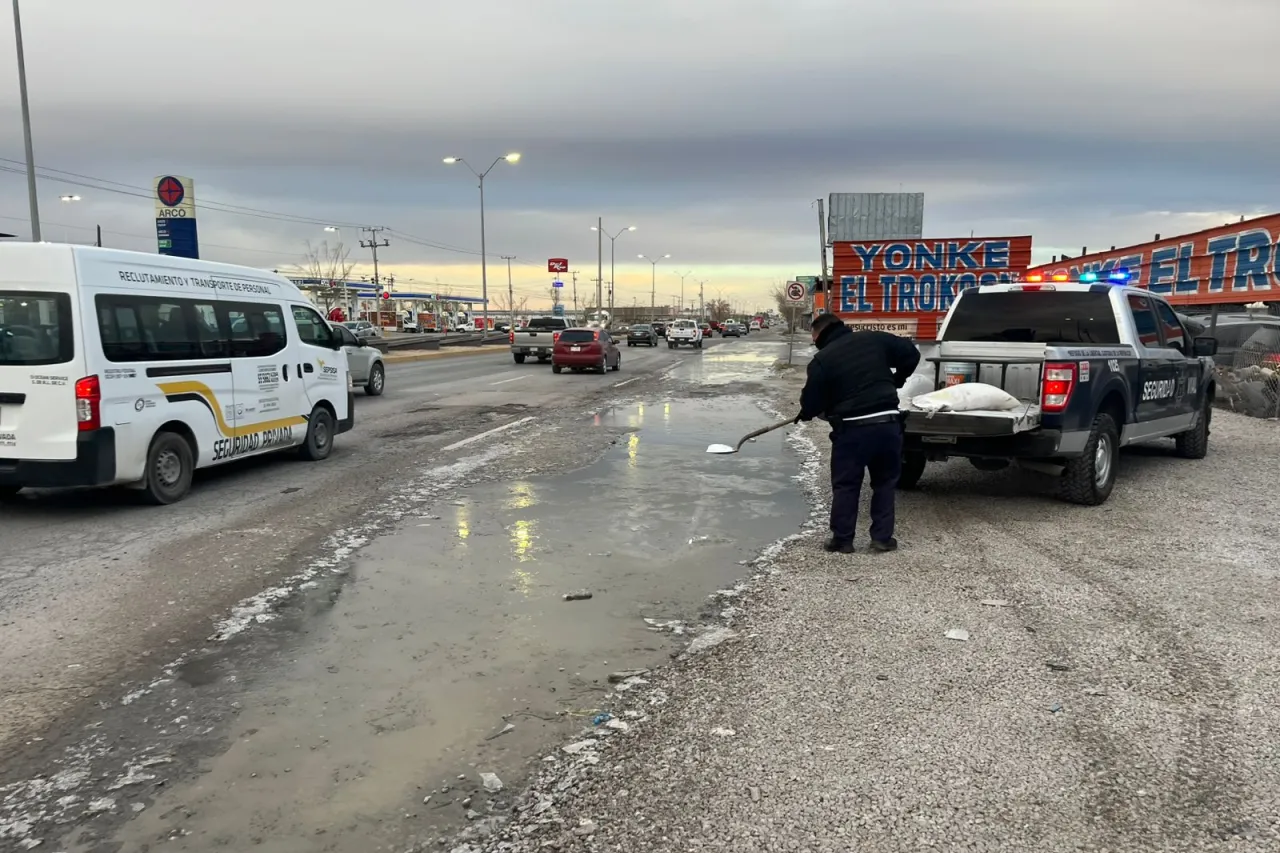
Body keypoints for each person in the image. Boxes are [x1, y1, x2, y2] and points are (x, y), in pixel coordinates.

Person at [797, 313, 921, 553]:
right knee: (885, 483)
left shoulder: (822, 360)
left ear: (821, 334)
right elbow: (911, 354)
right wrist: (898, 379)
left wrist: (807, 412)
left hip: (852, 431)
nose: (814, 343)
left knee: (846, 485)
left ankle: (843, 540)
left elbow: (811, 402)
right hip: (888, 425)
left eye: (814, 338)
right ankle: (882, 539)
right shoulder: (875, 340)